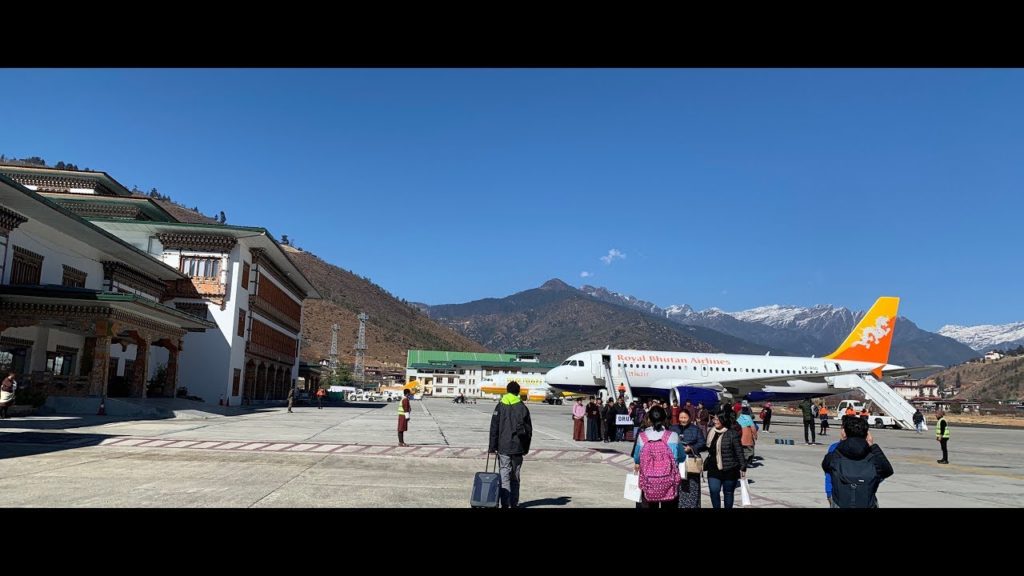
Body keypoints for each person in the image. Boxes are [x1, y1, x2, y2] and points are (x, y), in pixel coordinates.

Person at [821, 415, 894, 508]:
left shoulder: (837, 454)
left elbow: (826, 465)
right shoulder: (872, 455)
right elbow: (887, 471)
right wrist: (872, 446)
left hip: (840, 503)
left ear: (845, 432)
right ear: (867, 434)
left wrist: (842, 442)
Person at [489, 381, 533, 508]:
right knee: (515, 476)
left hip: (503, 446)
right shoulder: (523, 407)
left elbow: (494, 427)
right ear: (518, 392)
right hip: (518, 447)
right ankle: (514, 503)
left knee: (504, 474)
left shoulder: (500, 406)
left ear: (507, 391)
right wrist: (526, 448)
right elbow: (529, 431)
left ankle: (505, 503)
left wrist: (492, 446)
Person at [631, 405, 683, 508]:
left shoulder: (642, 437)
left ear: (649, 418)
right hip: (669, 482)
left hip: (649, 482)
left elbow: (637, 458)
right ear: (664, 419)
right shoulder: (673, 435)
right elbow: (682, 457)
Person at [703, 410, 747, 509]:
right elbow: (705, 446)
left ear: (724, 420)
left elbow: (739, 451)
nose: (715, 421)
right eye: (714, 419)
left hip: (729, 469)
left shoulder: (732, 434)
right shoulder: (711, 431)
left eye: (717, 419)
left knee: (728, 493)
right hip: (713, 467)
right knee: (714, 491)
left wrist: (743, 467)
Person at [676, 409, 706, 508]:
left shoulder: (696, 429)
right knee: (678, 486)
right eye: (681, 417)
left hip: (691, 462)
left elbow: (702, 443)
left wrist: (691, 448)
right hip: (677, 462)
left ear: (689, 418)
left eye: (685, 417)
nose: (683, 420)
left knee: (692, 486)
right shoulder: (673, 428)